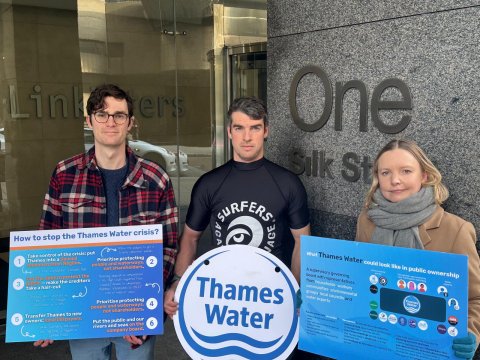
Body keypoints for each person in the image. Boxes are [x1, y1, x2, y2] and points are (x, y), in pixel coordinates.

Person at [34, 84, 178, 360]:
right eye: (102, 114)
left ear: (131, 123)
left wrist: (148, 312)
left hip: (134, 316)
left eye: (119, 115)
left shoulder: (156, 179)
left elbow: (168, 248)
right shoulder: (65, 174)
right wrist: (46, 313)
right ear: (89, 121)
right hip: (83, 313)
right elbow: (47, 244)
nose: (110, 122)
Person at [164, 96, 310, 317]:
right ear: (230, 131)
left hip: (273, 296)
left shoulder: (287, 183)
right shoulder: (209, 184)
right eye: (239, 128)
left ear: (266, 131)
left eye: (255, 128)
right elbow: (190, 238)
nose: (247, 137)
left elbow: (302, 241)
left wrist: (296, 291)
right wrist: (178, 281)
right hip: (223, 295)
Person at [356, 139, 480, 359]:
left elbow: (476, 298)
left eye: (406, 171)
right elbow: (359, 282)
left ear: (424, 175)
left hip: (428, 349)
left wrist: (471, 332)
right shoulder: (367, 222)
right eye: (385, 173)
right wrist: (318, 297)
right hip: (375, 344)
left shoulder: (456, 230)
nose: (395, 180)